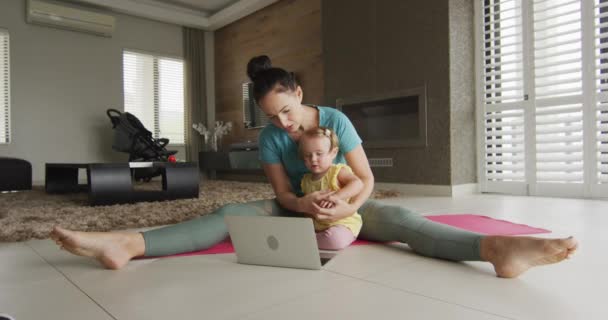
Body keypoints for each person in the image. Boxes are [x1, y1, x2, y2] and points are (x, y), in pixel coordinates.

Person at [51, 55, 578, 278]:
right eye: (270, 118)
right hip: (300, 208)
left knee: (408, 225)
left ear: (299, 94)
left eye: (285, 111)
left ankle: (498, 250)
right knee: (229, 217)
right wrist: (303, 204)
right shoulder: (271, 142)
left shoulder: (336, 121)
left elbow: (368, 180)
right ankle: (127, 244)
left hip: (346, 208)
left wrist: (343, 203)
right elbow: (281, 196)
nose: (280, 125)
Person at [298, 126, 363, 250]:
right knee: (294, 228)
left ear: (333, 153)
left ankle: (306, 243)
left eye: (319, 154)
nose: (313, 159)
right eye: (307, 155)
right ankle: (310, 240)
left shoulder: (337, 171)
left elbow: (358, 183)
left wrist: (336, 196)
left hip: (342, 224)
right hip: (317, 226)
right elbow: (307, 208)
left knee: (334, 239)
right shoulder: (305, 180)